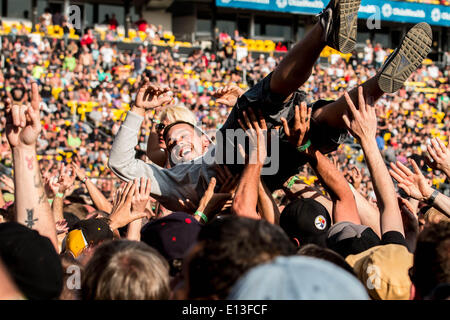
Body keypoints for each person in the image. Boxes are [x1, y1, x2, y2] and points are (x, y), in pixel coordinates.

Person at [109, 0, 432, 213]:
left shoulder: (212, 146)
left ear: (203, 138)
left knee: (315, 125)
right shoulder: (172, 180)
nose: (180, 143)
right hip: (249, 168)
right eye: (173, 142)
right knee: (261, 100)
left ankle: (379, 83)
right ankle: (326, 25)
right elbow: (121, 163)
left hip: (260, 162)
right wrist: (138, 111)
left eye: (184, 135)